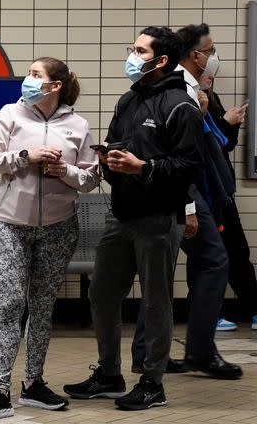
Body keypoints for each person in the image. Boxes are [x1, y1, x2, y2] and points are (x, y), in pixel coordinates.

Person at [63, 27, 203, 410]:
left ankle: (152, 383)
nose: (130, 55)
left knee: (155, 301)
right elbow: (118, 146)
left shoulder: (180, 105)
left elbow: (191, 167)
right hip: (120, 217)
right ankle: (109, 374)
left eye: (138, 50)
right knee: (102, 294)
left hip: (159, 220)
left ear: (160, 60)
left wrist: (144, 167)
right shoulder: (128, 100)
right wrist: (109, 158)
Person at [0, 58, 100, 422]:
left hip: (59, 227)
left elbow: (90, 179)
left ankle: (34, 383)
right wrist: (25, 156)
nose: (27, 79)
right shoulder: (10, 114)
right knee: (10, 304)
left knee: (42, 307)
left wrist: (65, 170)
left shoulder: (77, 125)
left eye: (35, 74)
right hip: (8, 224)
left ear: (55, 85)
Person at [130, 23, 242, 380]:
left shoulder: (182, 87)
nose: (213, 57)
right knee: (214, 261)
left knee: (162, 272)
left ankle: (148, 351)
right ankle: (199, 351)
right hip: (184, 192)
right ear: (194, 55)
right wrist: (189, 208)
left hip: (176, 190)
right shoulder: (184, 90)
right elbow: (184, 155)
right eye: (210, 51)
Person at [206, 75, 257, 331]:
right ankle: (209, 315)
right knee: (209, 257)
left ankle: (253, 308)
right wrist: (226, 123)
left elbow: (225, 144)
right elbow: (204, 146)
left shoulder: (211, 97)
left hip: (221, 190)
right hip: (206, 193)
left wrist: (230, 123)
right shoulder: (191, 99)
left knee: (237, 252)